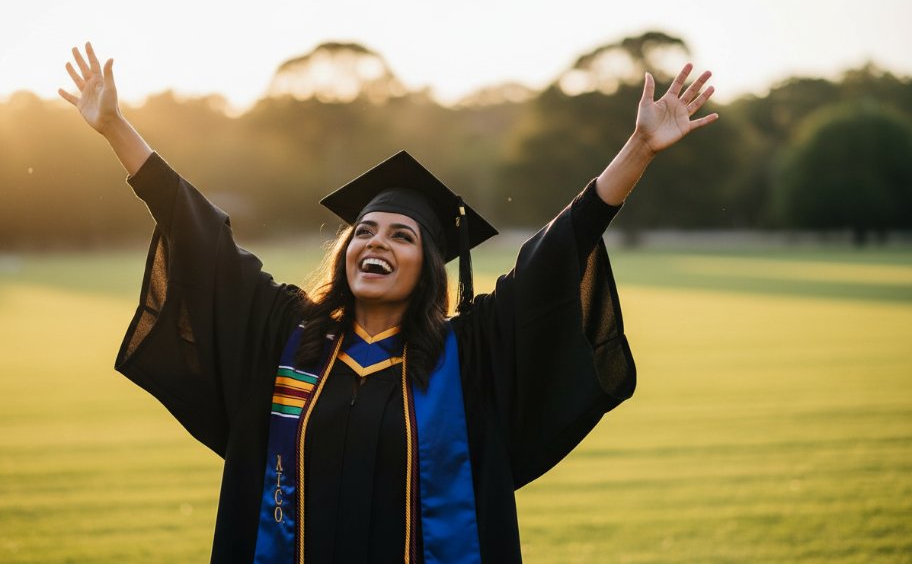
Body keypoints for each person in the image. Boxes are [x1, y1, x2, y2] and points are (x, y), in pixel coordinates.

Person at [59, 42, 717, 564]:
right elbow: (200, 238)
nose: (376, 243)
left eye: (402, 235)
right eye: (364, 232)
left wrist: (637, 151)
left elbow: (552, 261)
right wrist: (118, 129)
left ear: (429, 264)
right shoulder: (285, 334)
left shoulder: (470, 354)